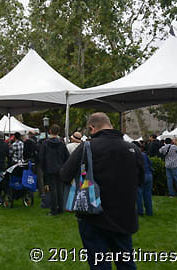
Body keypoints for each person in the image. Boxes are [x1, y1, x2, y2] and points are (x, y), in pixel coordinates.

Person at [60, 112, 144, 270]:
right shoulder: (133, 149)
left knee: (99, 264)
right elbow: (140, 181)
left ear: (92, 128)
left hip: (93, 215)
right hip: (124, 216)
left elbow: (65, 174)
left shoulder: (87, 147)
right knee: (126, 263)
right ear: (110, 125)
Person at [39, 124, 69, 216]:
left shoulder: (45, 144)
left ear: (50, 132)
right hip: (60, 168)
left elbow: (41, 157)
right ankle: (60, 208)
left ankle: (54, 209)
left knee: (53, 190)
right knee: (60, 189)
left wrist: (43, 168)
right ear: (58, 132)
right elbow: (67, 157)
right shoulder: (62, 144)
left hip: (50, 168)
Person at [133, 142, 153, 216]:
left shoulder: (134, 155)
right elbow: (150, 164)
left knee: (139, 195)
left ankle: (140, 212)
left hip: (140, 176)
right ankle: (149, 212)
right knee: (148, 195)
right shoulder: (144, 154)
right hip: (149, 175)